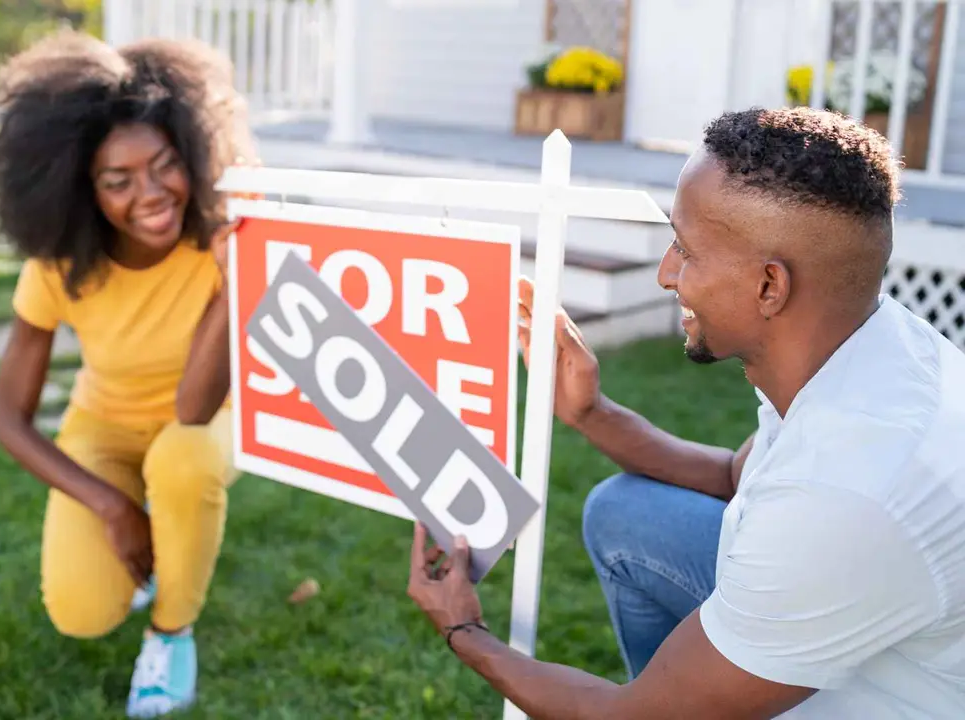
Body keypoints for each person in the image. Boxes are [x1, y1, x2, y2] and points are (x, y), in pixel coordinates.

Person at [406, 106, 965, 718]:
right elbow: (734, 477)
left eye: (686, 250)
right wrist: (592, 413)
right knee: (627, 513)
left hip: (879, 697)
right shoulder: (865, 346)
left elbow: (631, 716)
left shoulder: (847, 491)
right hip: (841, 610)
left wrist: (465, 631)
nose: (666, 274)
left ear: (769, 288)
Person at [0, 30, 256, 718]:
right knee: (79, 610)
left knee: (184, 460)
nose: (152, 193)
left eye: (165, 164)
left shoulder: (220, 241)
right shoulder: (59, 263)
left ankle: (171, 634)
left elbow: (194, 410)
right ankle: (152, 552)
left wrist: (232, 289)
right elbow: (9, 418)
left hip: (206, 421)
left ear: (194, 151)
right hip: (103, 427)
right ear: (80, 187)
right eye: (118, 181)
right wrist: (112, 506)